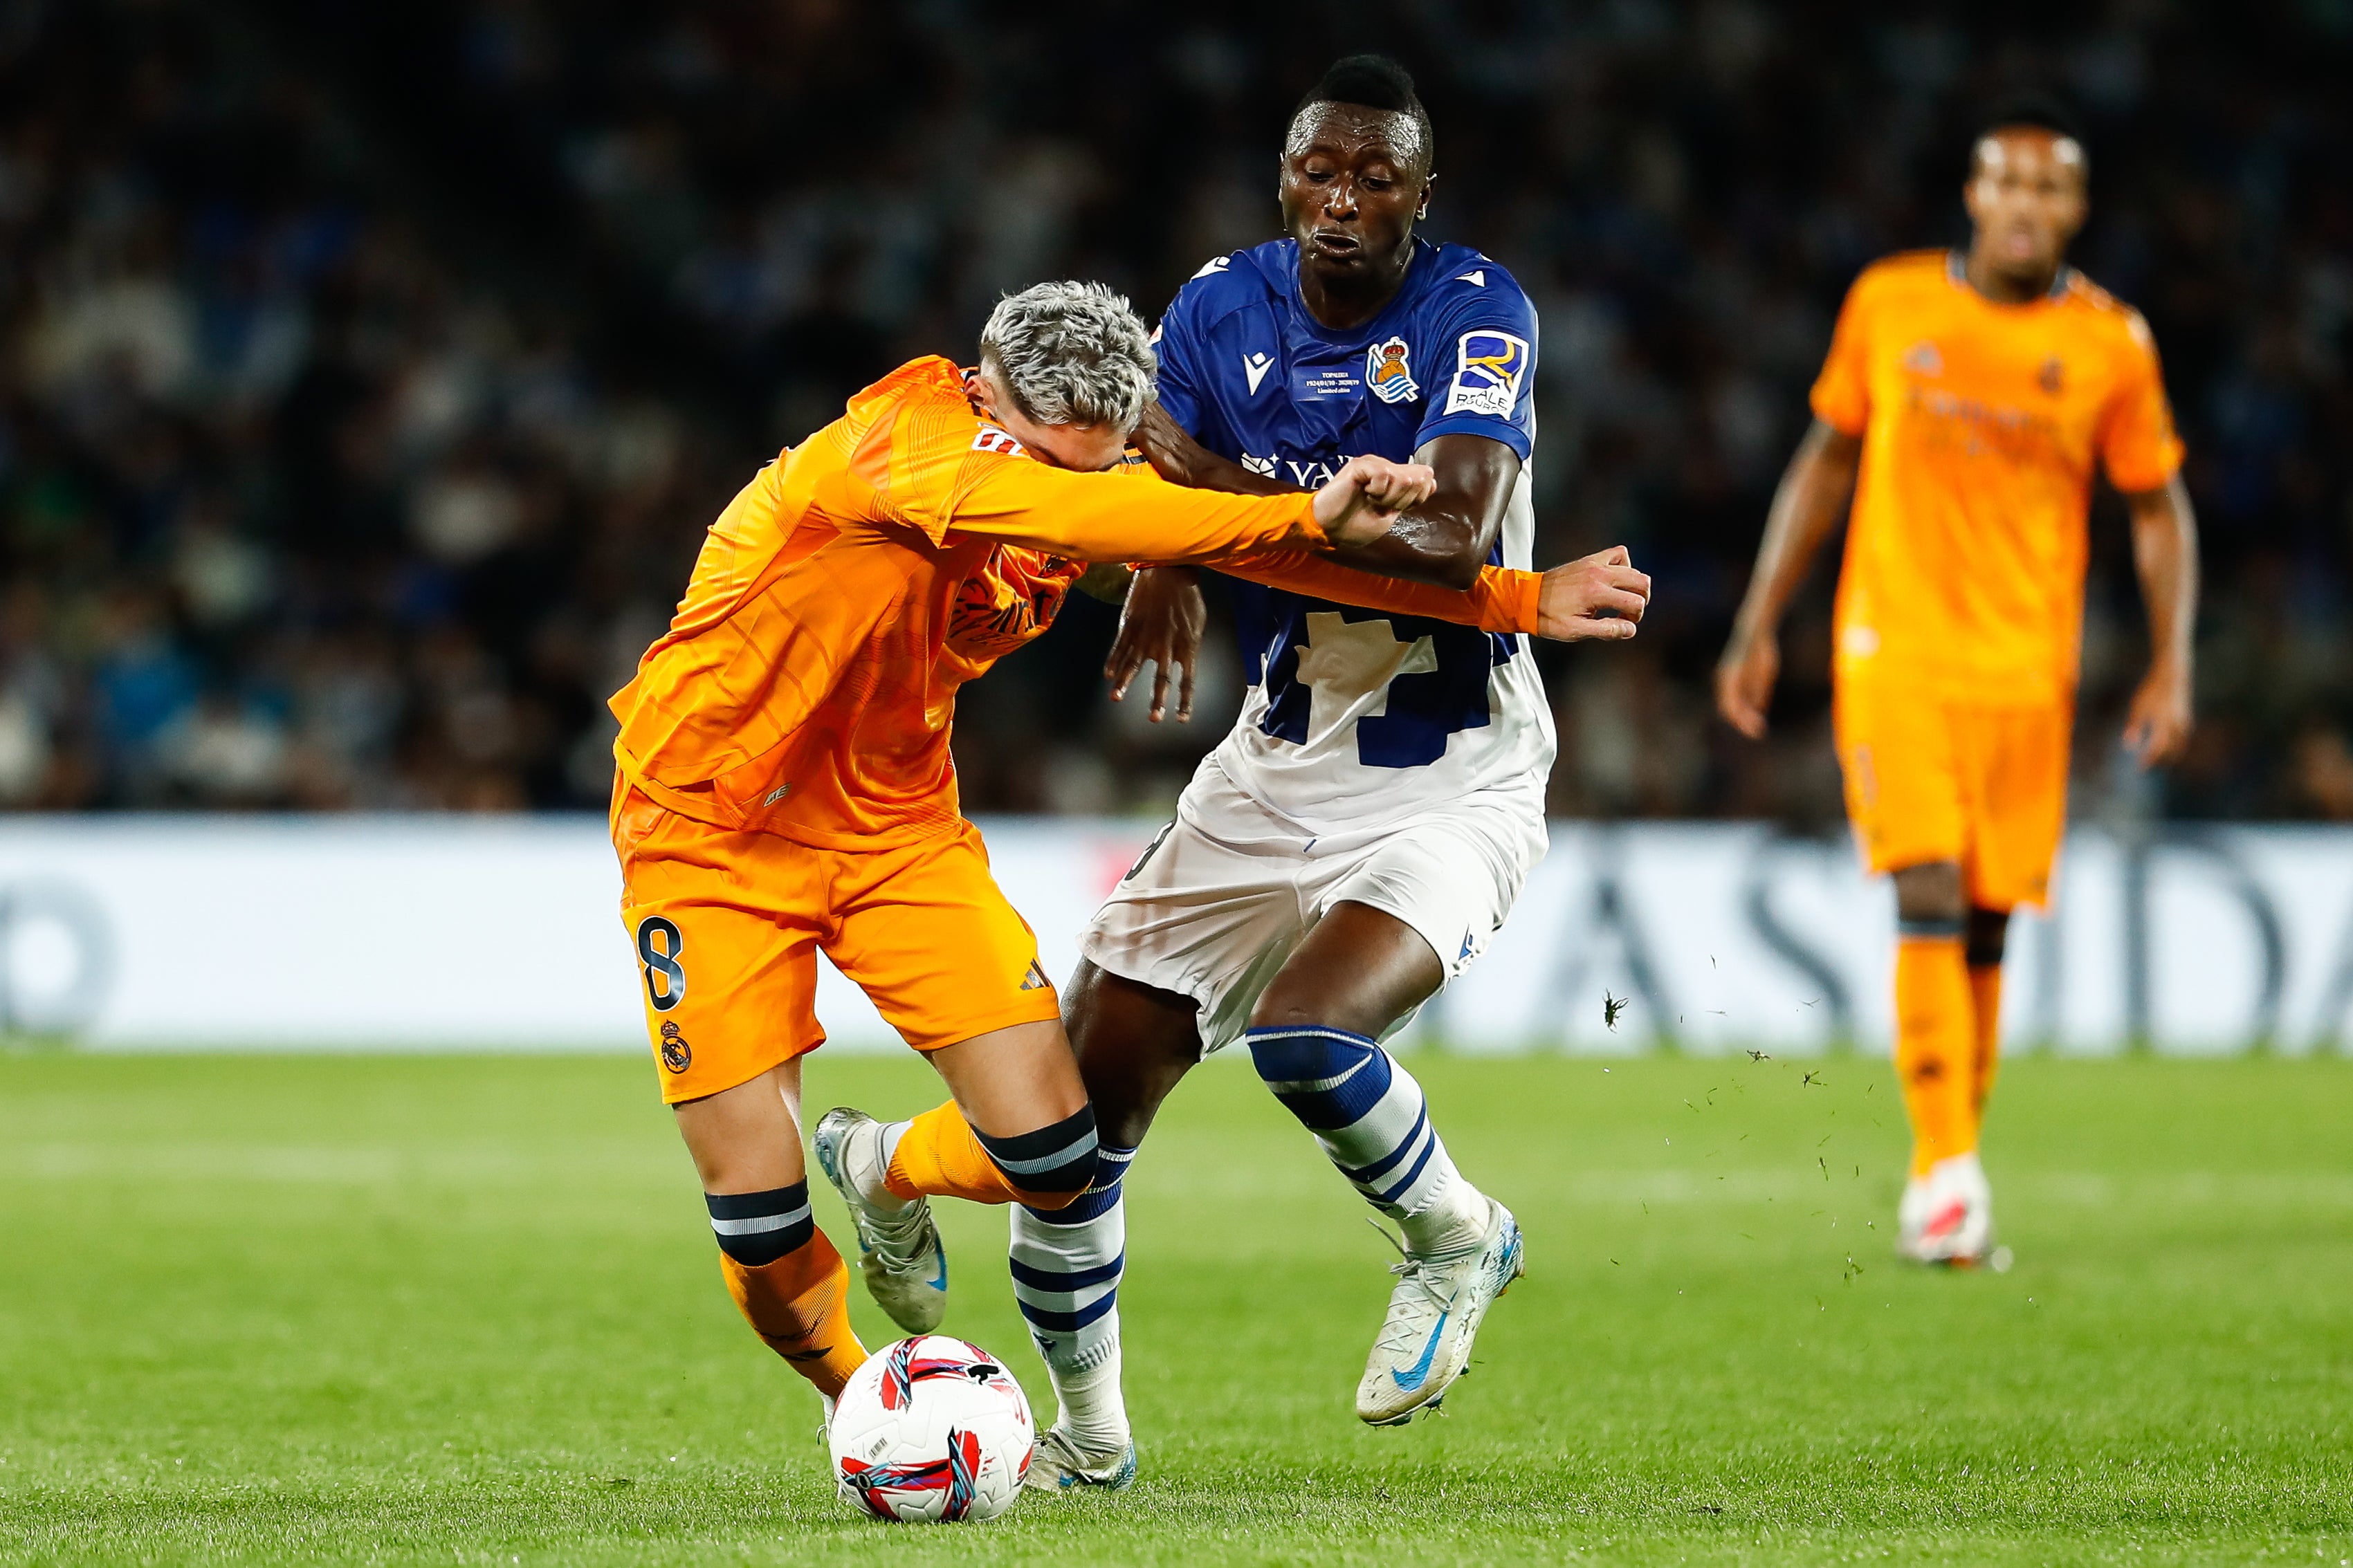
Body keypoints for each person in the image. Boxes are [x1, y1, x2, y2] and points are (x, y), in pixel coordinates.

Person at [610, 278, 1615, 1419]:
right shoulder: (904, 448)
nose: (1068, 483)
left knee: (1055, 1156)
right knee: (757, 1218)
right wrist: (1268, 516)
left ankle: (878, 1168)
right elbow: (1115, 523)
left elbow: (1238, 552)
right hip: (708, 835)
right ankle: (866, 1404)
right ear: (984, 392)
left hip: (894, 834)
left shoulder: (1083, 481)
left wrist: (1509, 596)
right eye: (1046, 459)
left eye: (1093, 464)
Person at [958, 56, 1649, 1491]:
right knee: (1075, 1125)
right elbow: (1131, 474)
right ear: (1284, 178)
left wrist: (1207, 516)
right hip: (1272, 766)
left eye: (1375, 179)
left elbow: (1450, 537)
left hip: (1456, 770)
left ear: (1421, 195)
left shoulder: (1477, 311)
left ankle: (1457, 1237)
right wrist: (1160, 553)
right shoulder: (1218, 307)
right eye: (1317, 174)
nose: (1341, 203)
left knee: (1308, 1036)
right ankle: (1091, 1445)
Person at [1714, 98, 2197, 1266]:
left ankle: (1948, 1164)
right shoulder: (1889, 304)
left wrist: (2174, 659)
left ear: (2075, 210)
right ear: (1973, 197)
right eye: (2007, 184)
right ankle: (1945, 1176)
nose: (2026, 206)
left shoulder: (2110, 344)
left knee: (1982, 918)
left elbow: (2155, 509)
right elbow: (1824, 460)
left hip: (2028, 669)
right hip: (1893, 648)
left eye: (2051, 189)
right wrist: (1758, 619)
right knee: (1925, 886)